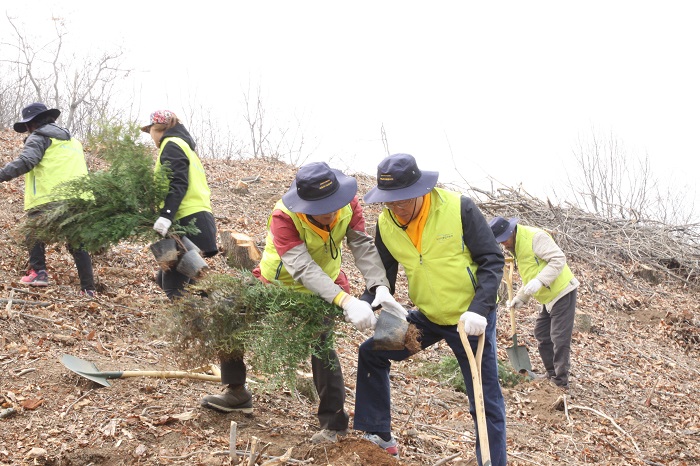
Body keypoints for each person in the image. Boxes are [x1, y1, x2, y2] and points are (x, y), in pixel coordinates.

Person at [200, 161, 405, 444]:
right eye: (321, 209)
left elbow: (361, 244)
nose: (330, 213)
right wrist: (345, 300)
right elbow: (302, 267)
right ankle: (236, 391)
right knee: (229, 316)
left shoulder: (349, 204)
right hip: (277, 284)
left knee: (321, 347)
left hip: (324, 287)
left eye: (333, 204)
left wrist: (378, 284)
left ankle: (334, 424)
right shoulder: (284, 216)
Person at [354, 153, 507, 464]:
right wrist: (365, 301)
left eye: (401, 201)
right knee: (372, 351)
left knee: (485, 400)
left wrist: (480, 308)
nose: (395, 209)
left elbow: (492, 260)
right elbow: (383, 276)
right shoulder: (386, 223)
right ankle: (379, 435)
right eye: (388, 202)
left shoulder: (458, 208)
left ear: (419, 192)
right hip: (426, 316)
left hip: (470, 320)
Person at [0, 102, 96, 296]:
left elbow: (27, 161)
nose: (27, 130)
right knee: (77, 243)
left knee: (33, 231)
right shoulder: (73, 141)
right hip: (80, 199)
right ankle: (89, 289)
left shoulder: (39, 136)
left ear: (32, 124)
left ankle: (38, 273)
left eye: (27, 126)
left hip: (50, 197)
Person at [489, 216, 579, 391]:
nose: (503, 245)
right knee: (542, 333)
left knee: (559, 337)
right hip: (548, 296)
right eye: (499, 242)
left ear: (511, 232)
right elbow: (531, 272)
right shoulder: (517, 246)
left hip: (562, 291)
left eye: (504, 240)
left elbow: (559, 259)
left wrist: (540, 281)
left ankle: (561, 382)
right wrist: (521, 297)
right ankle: (551, 372)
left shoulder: (536, 237)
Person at [141, 110, 218, 299]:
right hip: (195, 220)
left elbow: (178, 183)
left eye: (149, 130)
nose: (150, 136)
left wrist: (166, 215)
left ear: (156, 128)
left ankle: (198, 325)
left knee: (175, 288)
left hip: (188, 222)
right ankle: (213, 314)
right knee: (171, 280)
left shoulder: (171, 145)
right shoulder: (184, 146)